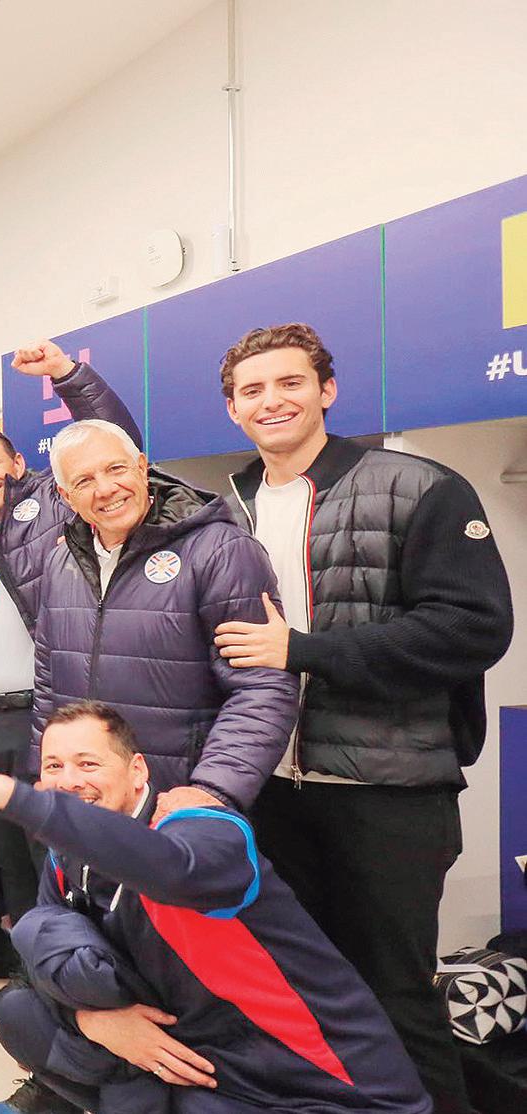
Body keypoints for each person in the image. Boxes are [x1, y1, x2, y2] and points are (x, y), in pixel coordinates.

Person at [214, 323, 512, 1114]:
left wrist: (304, 652)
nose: (272, 401)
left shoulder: (419, 486)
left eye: (290, 383)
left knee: (397, 996)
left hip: (387, 790)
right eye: (252, 390)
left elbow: (473, 626)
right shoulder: (225, 511)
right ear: (233, 409)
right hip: (269, 794)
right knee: (306, 992)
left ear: (327, 390)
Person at [0, 703, 433, 1114]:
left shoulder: (203, 832)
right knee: (21, 1012)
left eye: (88, 763)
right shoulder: (65, 861)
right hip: (209, 1073)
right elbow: (44, 971)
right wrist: (93, 1021)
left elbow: (171, 868)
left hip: (327, 1092)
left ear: (137, 770)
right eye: (53, 766)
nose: (68, 779)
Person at [0, 342, 142, 1011]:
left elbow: (113, 440)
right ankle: (23, 972)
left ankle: (54, 981)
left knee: (42, 852)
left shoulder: (48, 507)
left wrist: (69, 376)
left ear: (19, 465)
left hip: (39, 715)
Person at [33, 419, 298, 813]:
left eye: (116, 468)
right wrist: (48, 775)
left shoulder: (219, 550)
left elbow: (262, 686)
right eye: (84, 481)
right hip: (85, 802)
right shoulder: (60, 561)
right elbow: (47, 684)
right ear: (65, 496)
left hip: (180, 803)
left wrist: (212, 790)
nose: (105, 489)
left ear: (142, 467)